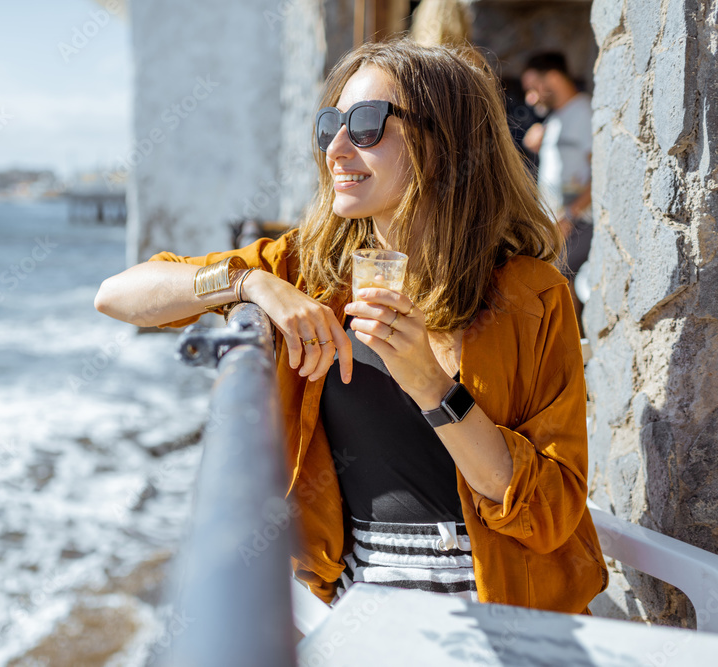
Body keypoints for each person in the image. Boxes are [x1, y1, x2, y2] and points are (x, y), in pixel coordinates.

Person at [95, 39, 607, 614]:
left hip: (514, 606)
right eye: (330, 124)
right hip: (370, 606)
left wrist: (433, 389)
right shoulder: (311, 270)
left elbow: (552, 511)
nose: (336, 148)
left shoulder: (531, 293)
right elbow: (118, 296)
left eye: (365, 125)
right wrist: (247, 283)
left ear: (445, 140)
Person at [521, 52, 594, 332]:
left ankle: (570, 358)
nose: (529, 98)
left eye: (532, 87)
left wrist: (570, 215)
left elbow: (599, 170)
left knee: (557, 281)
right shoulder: (558, 118)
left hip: (578, 222)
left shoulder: (585, 112)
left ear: (552, 77)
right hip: (559, 222)